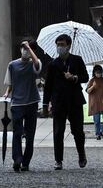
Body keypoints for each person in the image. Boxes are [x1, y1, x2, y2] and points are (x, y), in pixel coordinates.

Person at [43, 33, 88, 170]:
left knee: (78, 131)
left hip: (74, 100)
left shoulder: (77, 60)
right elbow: (48, 85)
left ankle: (81, 154)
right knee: (58, 132)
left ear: (68, 46)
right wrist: (45, 104)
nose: (60, 47)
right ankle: (58, 160)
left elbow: (85, 77)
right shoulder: (53, 64)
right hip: (58, 101)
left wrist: (74, 77)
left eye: (62, 45)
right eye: (58, 45)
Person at [2, 40, 42, 172]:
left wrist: (30, 49)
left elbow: (37, 66)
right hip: (17, 103)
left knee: (30, 134)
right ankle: (17, 159)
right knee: (17, 133)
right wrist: (7, 92)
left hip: (31, 102)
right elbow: (11, 82)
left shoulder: (34, 63)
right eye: (23, 48)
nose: (25, 50)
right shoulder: (12, 65)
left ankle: (26, 161)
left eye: (28, 49)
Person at [85, 64, 103, 140]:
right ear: (94, 73)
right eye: (97, 72)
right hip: (95, 103)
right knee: (97, 121)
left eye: (100, 72)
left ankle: (102, 131)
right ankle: (98, 134)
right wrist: (93, 86)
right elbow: (87, 91)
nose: (99, 74)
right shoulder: (92, 80)